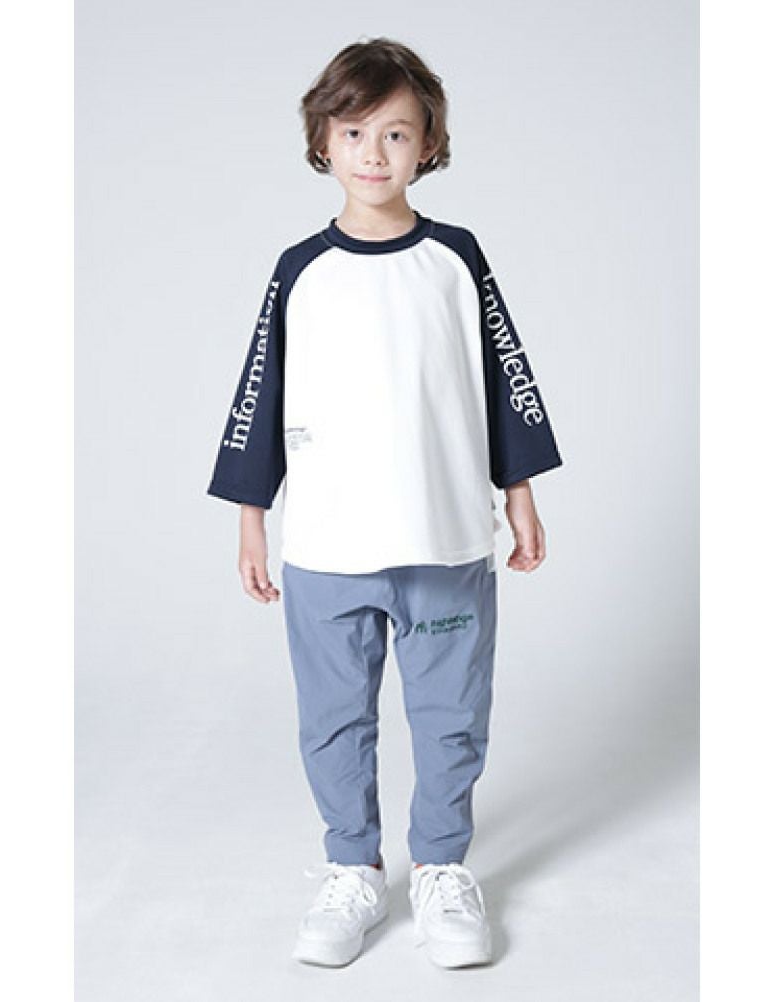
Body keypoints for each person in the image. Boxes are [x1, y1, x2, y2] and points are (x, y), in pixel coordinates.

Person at [207, 37, 564, 969]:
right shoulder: (299, 269)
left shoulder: (455, 259)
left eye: (397, 133)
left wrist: (519, 495)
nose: (374, 153)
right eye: (354, 131)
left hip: (443, 538)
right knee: (334, 719)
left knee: (451, 715)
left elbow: (504, 379)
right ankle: (353, 869)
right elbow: (259, 392)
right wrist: (251, 518)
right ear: (322, 141)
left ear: (428, 144)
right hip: (328, 546)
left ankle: (442, 867)